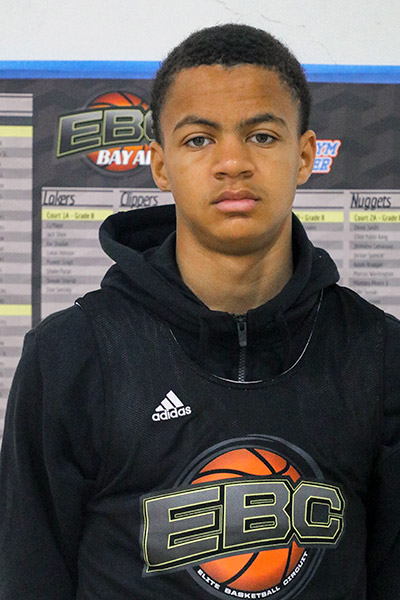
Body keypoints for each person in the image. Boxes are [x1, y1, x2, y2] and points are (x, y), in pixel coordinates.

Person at [1, 23, 400, 600]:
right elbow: (27, 577)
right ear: (160, 165)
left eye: (262, 136)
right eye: (198, 140)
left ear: (305, 156)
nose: (232, 162)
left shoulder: (380, 356)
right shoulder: (71, 355)